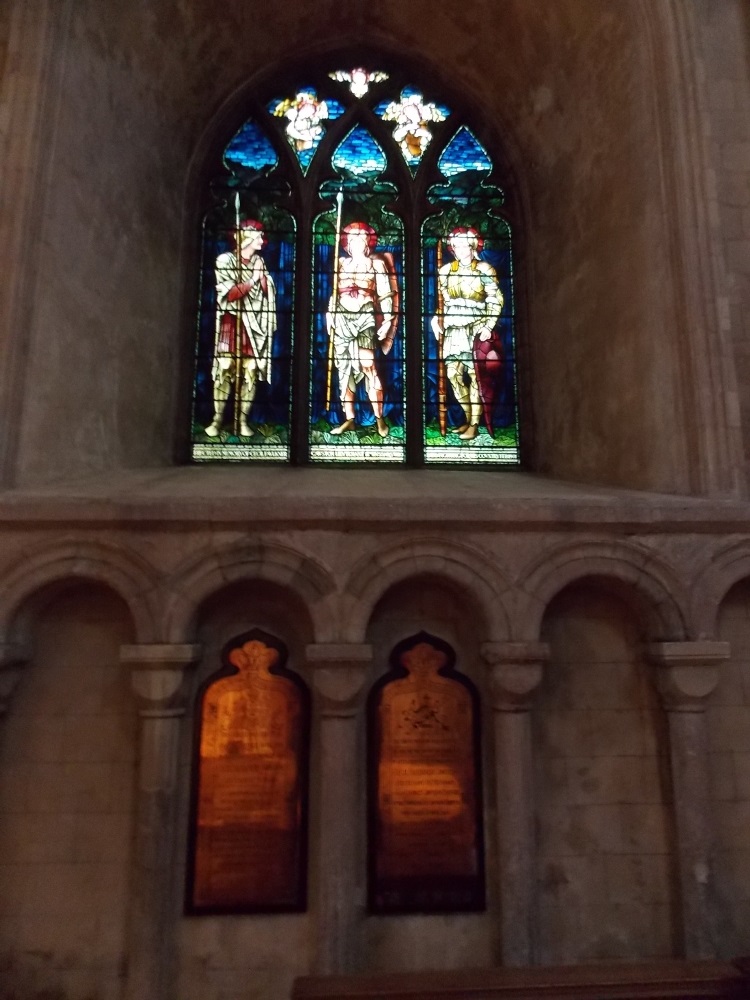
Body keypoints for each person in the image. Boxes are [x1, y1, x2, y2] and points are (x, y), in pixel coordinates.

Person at [205, 219, 276, 438]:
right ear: (244, 237)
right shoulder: (225, 260)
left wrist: (263, 279)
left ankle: (242, 420)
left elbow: (267, 294)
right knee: (225, 368)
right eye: (258, 237)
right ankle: (217, 420)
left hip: (254, 326)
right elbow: (229, 294)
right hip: (231, 321)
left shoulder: (259, 262)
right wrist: (253, 279)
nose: (261, 241)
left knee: (250, 371)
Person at [431, 227, 503, 440]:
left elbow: (494, 299)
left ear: (473, 246)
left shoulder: (485, 269)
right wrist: (437, 318)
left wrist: (489, 325)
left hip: (476, 326)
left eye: (465, 244)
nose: (461, 248)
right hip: (454, 327)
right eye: (457, 245)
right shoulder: (445, 271)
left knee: (475, 376)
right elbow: (443, 303)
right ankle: (468, 417)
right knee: (453, 375)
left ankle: (474, 424)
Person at [326, 221, 397, 438]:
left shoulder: (376, 265)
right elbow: (334, 293)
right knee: (344, 370)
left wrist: (386, 321)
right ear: (347, 242)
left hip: (365, 317)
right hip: (342, 318)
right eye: (353, 238)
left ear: (367, 242)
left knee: (369, 367)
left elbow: (385, 294)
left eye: (362, 237)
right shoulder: (341, 264)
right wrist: (329, 314)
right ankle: (349, 419)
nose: (357, 241)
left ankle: (379, 418)